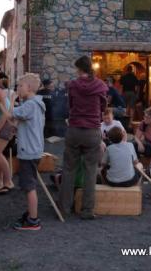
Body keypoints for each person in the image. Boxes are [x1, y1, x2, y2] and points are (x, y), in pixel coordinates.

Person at [59, 56, 107, 220]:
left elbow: (70, 106)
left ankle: (65, 208)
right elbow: (103, 107)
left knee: (68, 169)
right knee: (90, 171)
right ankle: (87, 210)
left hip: (74, 129)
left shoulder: (73, 85)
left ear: (79, 69)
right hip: (92, 131)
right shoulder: (100, 85)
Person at [1, 73, 45, 231]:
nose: (17, 88)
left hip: (29, 151)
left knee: (29, 186)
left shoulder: (30, 105)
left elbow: (10, 114)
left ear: (29, 88)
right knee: (30, 184)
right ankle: (31, 214)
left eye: (19, 86)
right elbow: (12, 121)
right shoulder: (33, 104)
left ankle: (33, 221)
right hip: (34, 149)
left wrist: (9, 101)